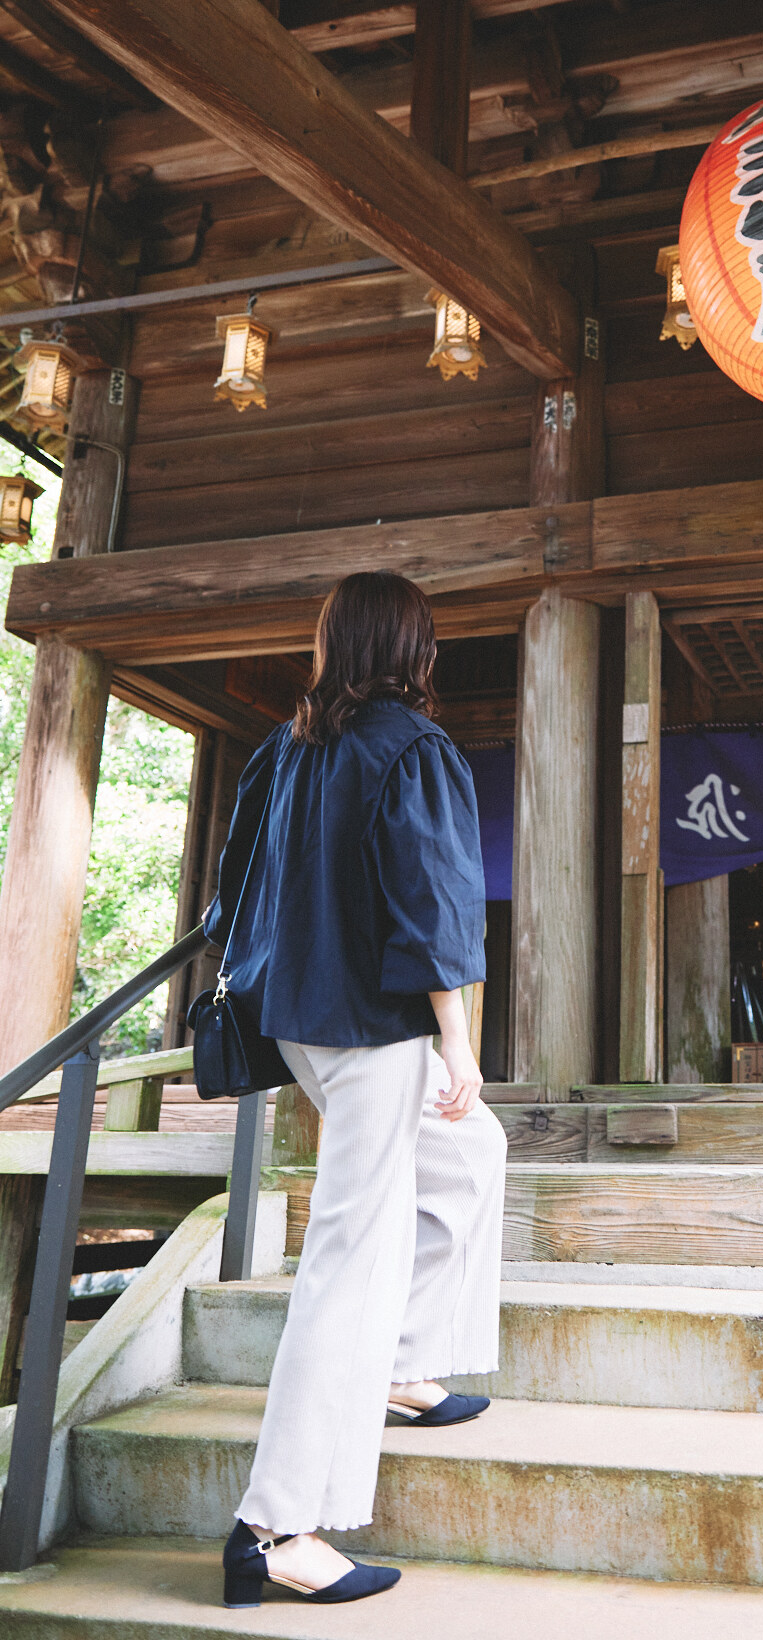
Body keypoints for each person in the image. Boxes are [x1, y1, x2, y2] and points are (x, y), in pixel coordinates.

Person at [204, 570, 506, 1609]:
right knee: (349, 1257)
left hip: (300, 1021)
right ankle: (277, 1524)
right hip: (374, 1031)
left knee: (472, 1153)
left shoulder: (285, 749)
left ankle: (401, 1362)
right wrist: (456, 1038)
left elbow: (231, 888)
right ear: (412, 650)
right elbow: (435, 904)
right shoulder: (410, 749)